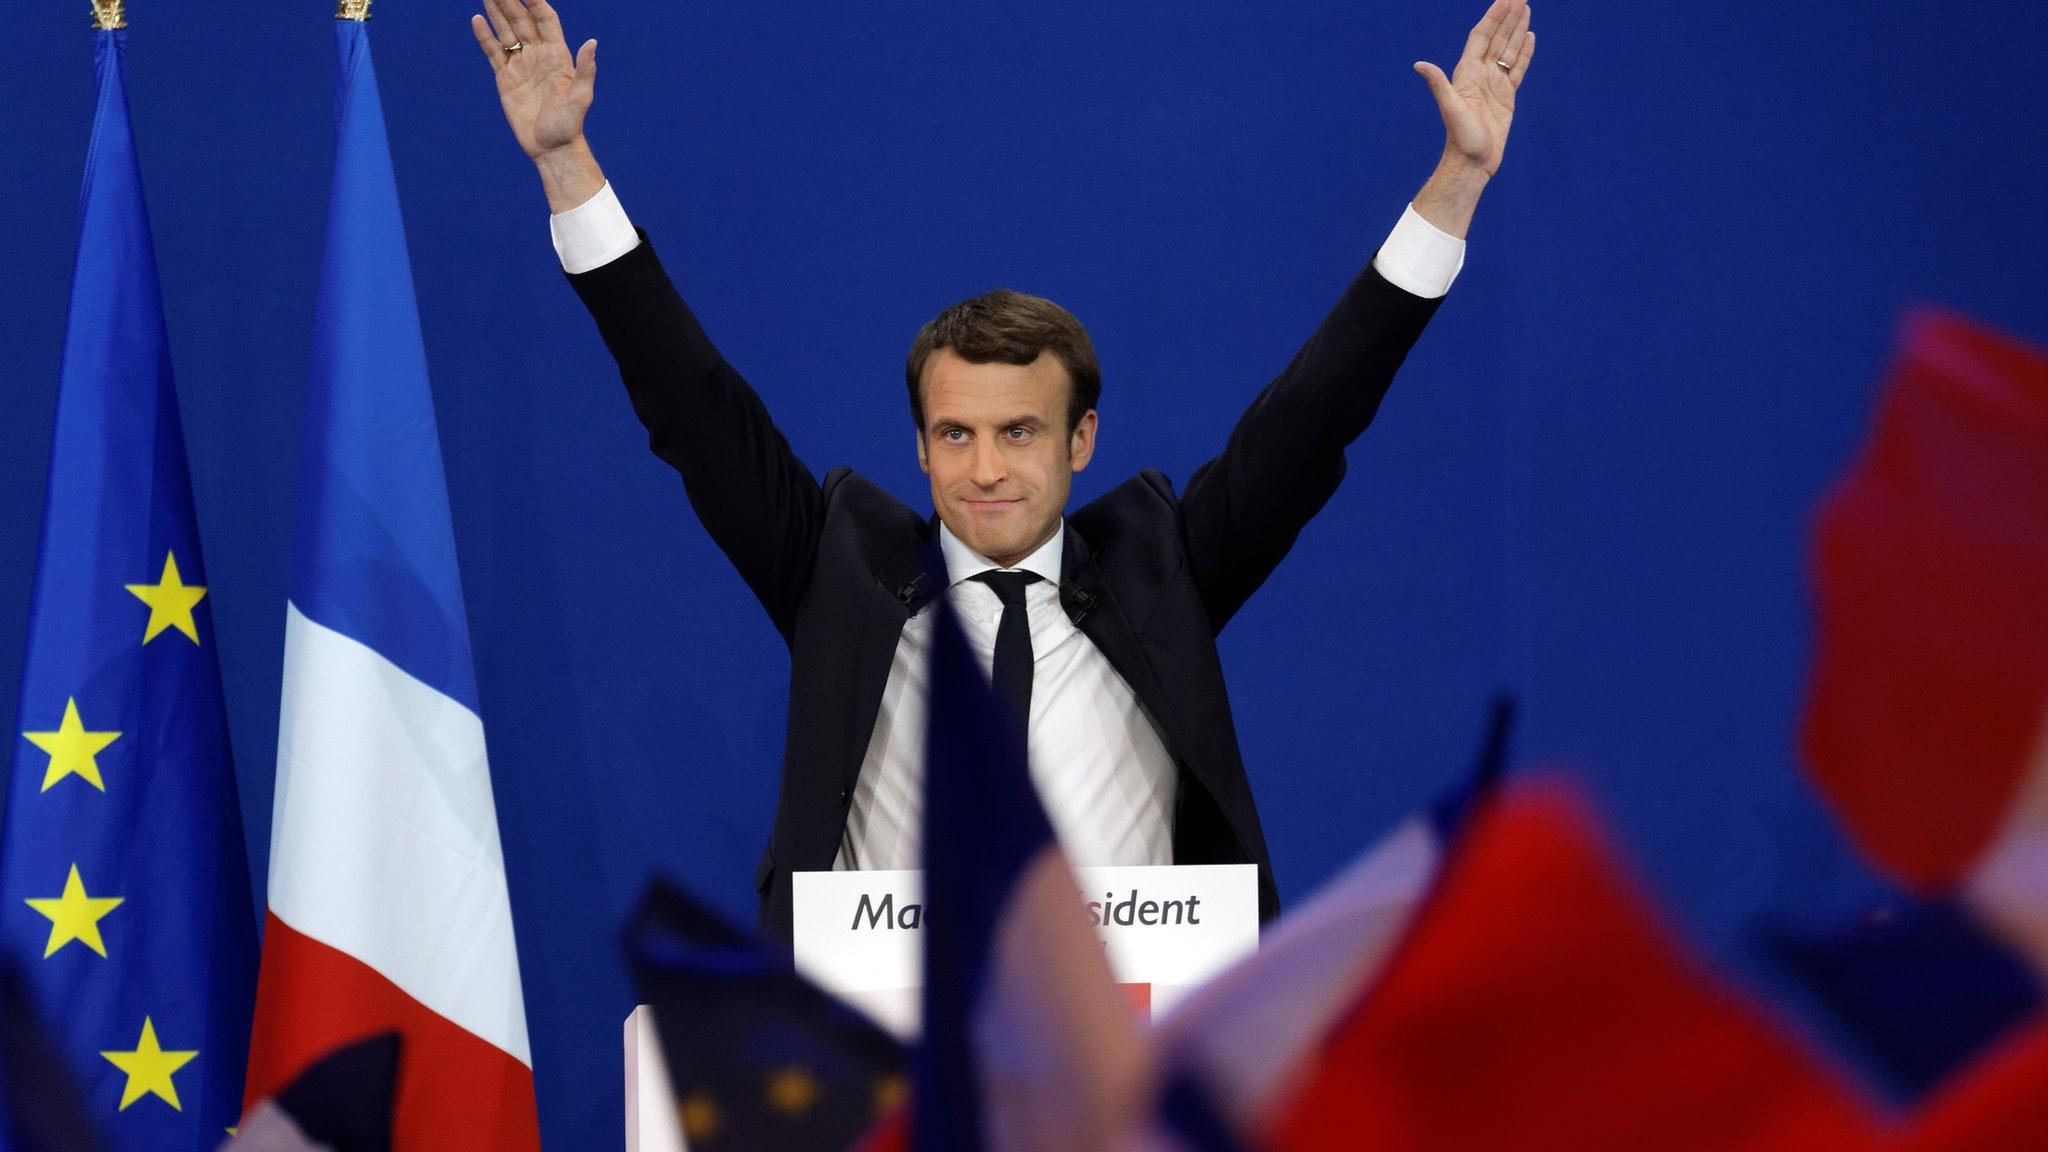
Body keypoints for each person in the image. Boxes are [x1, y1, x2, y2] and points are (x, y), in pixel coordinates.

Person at [471, 0, 1534, 938]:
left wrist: (1456, 183)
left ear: (1081, 441)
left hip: (1130, 1066)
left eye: (1018, 433)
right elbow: (689, 402)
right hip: (892, 1075)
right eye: (955, 435)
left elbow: (1316, 413)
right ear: (921, 444)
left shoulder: (1164, 564)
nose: (983, 470)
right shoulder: (832, 566)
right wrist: (567, 166)